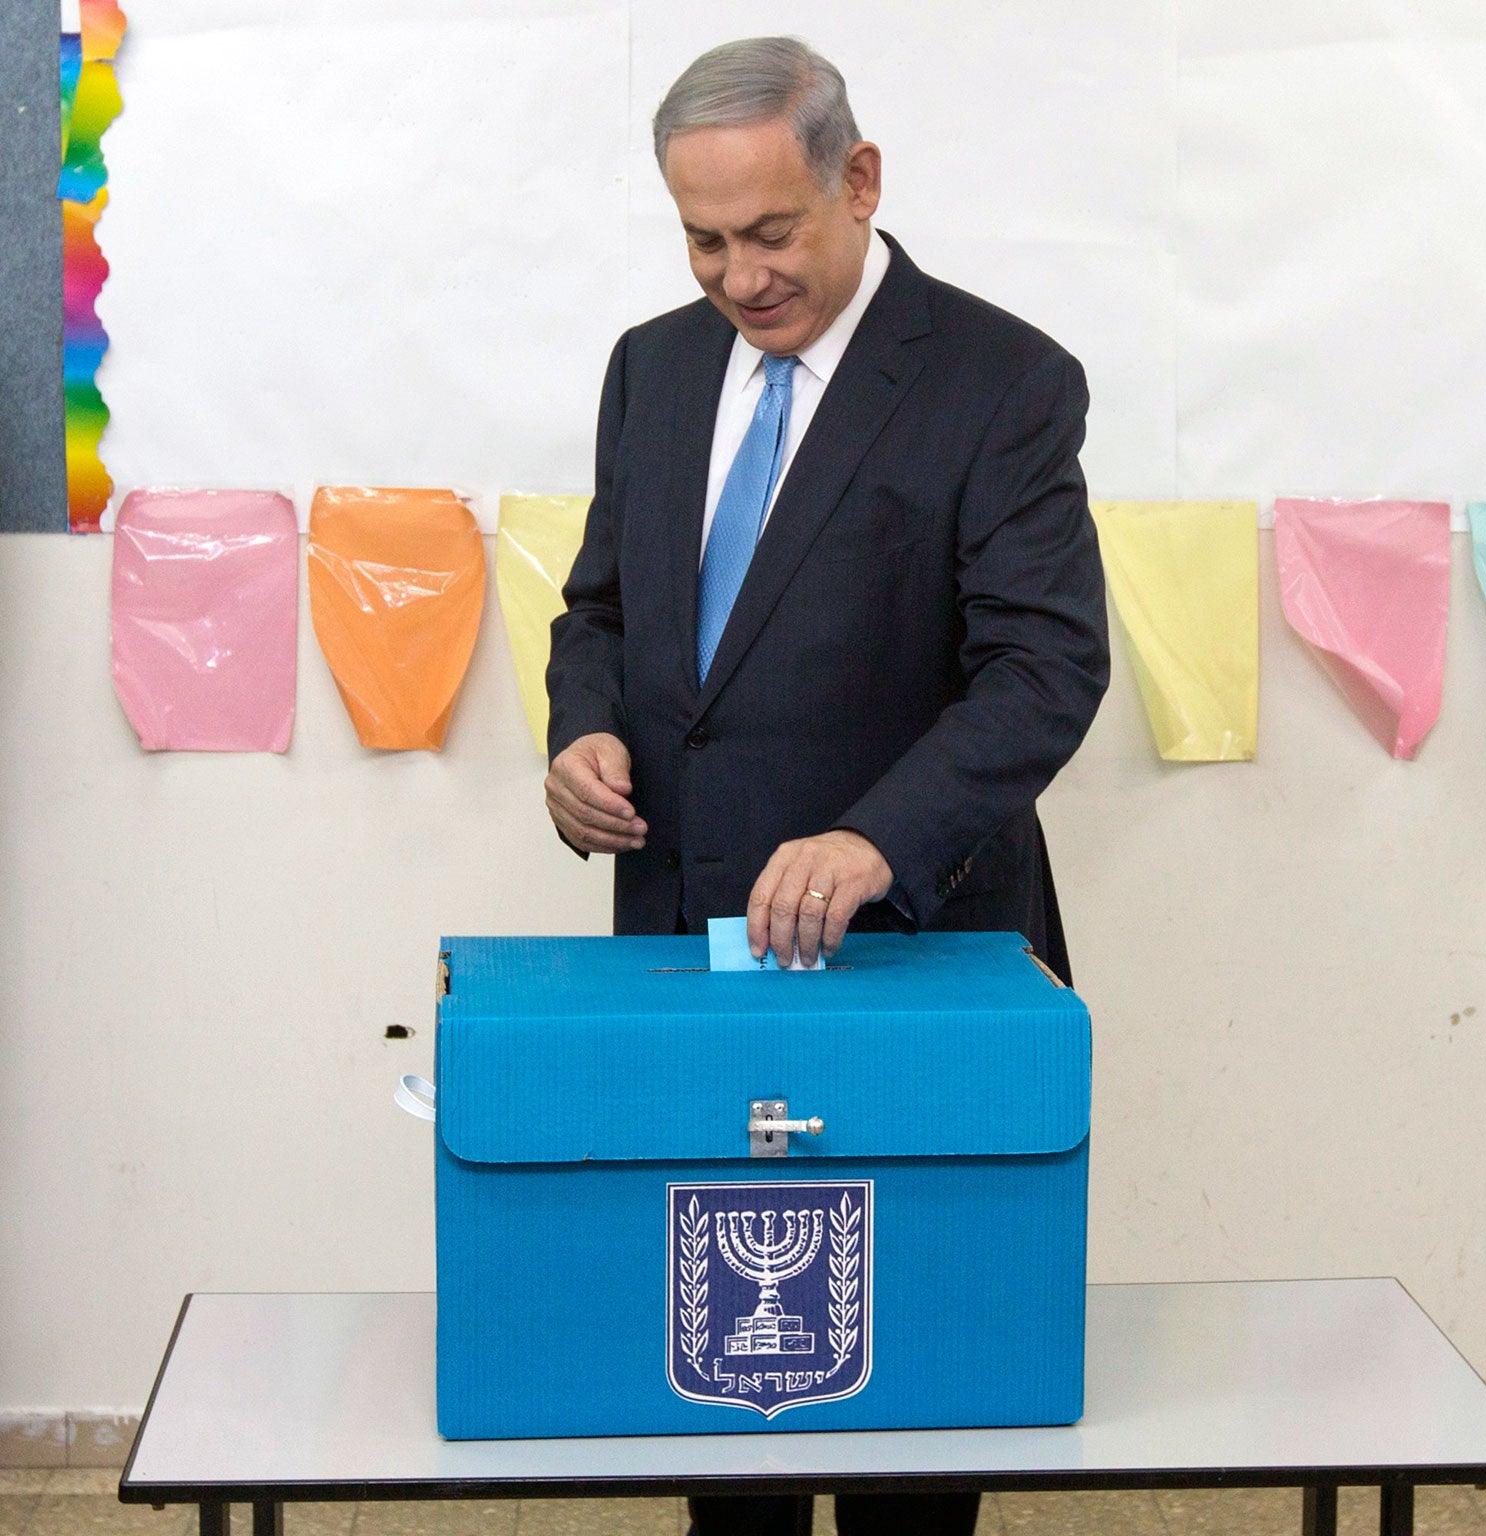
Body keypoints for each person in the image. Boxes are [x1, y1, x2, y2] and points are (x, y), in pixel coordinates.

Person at [542, 35, 1110, 1536]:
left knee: (905, 1408)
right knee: (722, 1397)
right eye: (703, 239)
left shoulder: (1005, 383)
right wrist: (579, 729)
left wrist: (874, 837)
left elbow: (1047, 671)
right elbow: (598, 608)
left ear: (859, 180)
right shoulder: (650, 369)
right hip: (685, 949)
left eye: (771, 233)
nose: (738, 277)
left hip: (913, 952)